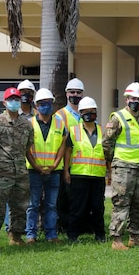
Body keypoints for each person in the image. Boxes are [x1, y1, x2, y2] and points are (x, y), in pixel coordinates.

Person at [103, 82, 139, 250]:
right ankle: (116, 240)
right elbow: (107, 143)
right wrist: (113, 165)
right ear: (126, 99)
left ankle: (135, 237)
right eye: (133, 98)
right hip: (123, 168)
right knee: (121, 203)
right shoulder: (118, 118)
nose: (136, 102)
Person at [0, 87, 34, 250]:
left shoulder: (26, 125)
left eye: (17, 99)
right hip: (0, 172)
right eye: (11, 99)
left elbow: (28, 147)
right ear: (4, 102)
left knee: (20, 206)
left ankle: (16, 236)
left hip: (20, 171)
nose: (14, 102)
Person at [63, 96, 107, 243]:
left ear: (96, 112)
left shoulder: (102, 131)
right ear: (80, 113)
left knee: (98, 208)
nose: (89, 113)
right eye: (85, 111)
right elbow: (67, 151)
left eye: (92, 111)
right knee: (77, 207)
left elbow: (107, 153)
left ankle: (100, 235)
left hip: (98, 175)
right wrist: (66, 171)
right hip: (79, 175)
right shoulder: (74, 130)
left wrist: (110, 172)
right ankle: (73, 235)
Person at [25, 88, 66, 244]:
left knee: (51, 205)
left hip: (54, 171)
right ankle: (30, 235)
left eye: (48, 103)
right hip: (33, 171)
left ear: (53, 104)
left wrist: (55, 165)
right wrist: (36, 166)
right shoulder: (29, 124)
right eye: (42, 104)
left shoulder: (60, 123)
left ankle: (51, 235)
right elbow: (26, 148)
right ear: (36, 105)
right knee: (32, 204)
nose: (45, 106)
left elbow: (63, 145)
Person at [55, 77, 85, 234]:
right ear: (66, 94)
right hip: (67, 164)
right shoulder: (61, 115)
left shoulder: (85, 112)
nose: (75, 95)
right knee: (64, 198)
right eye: (72, 92)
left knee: (78, 199)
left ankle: (78, 226)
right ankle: (63, 227)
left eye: (78, 92)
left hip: (82, 164)